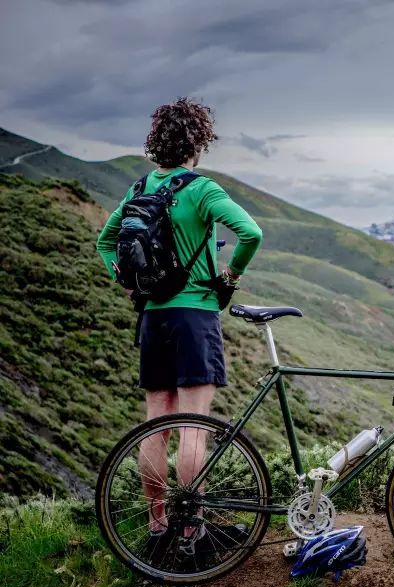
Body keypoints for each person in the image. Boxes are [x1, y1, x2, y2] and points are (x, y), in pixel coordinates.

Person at [96, 97, 262, 552]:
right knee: (194, 424)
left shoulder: (140, 188)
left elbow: (105, 240)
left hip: (153, 316)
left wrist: (128, 285)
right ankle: (191, 531)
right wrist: (230, 275)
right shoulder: (202, 190)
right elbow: (252, 234)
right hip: (195, 316)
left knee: (156, 422)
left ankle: (156, 524)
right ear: (199, 143)